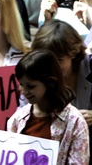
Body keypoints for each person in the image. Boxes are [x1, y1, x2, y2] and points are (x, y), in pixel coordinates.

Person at [7, 49, 90, 165]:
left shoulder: (75, 122)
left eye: (31, 86)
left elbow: (79, 162)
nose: (24, 91)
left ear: (50, 82)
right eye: (21, 84)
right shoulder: (17, 120)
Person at [31, 19, 92, 163]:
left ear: (74, 52)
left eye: (58, 60)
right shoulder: (33, 76)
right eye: (45, 60)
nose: (51, 68)